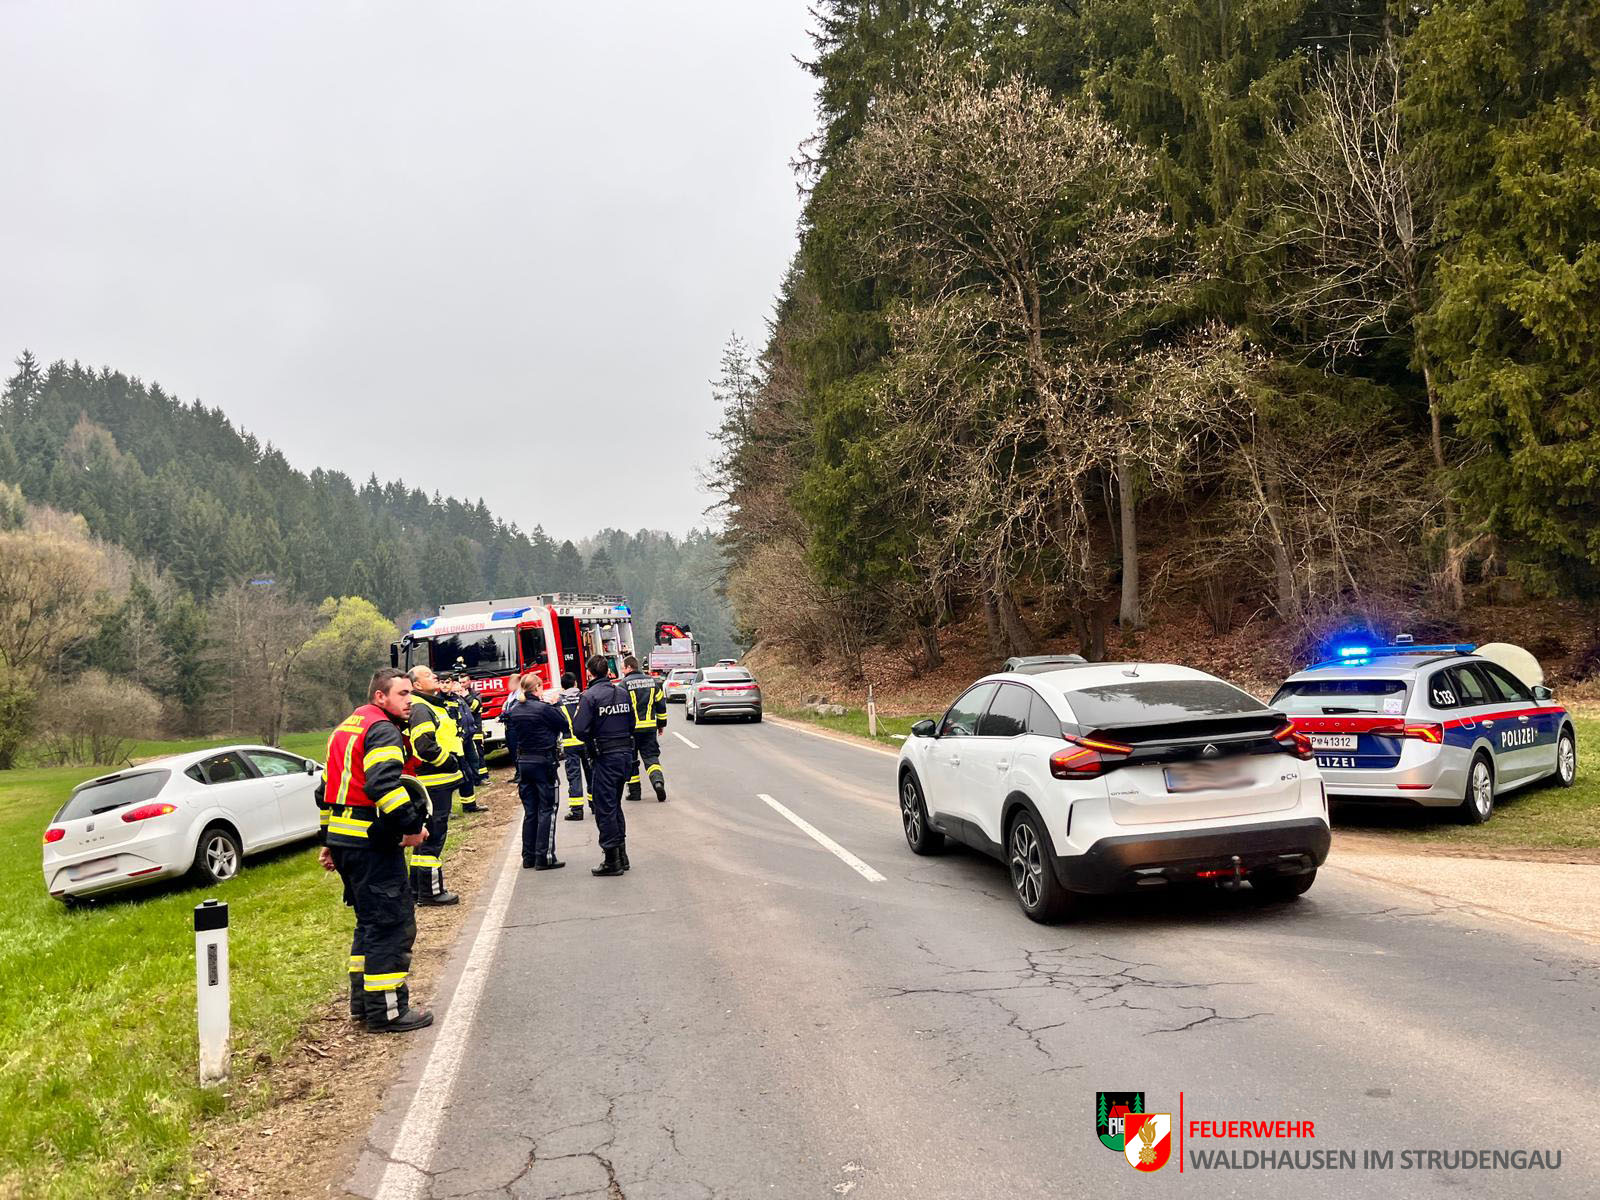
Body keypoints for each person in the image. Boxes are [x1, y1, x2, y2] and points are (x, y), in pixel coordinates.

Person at [316, 667, 433, 1033]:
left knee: (368, 925)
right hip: (371, 845)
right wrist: (411, 828)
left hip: (346, 844)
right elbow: (384, 785)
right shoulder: (382, 730)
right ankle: (388, 1011)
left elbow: (324, 791)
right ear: (380, 696)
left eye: (411, 694)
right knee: (391, 925)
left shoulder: (345, 728)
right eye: (402, 694)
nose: (410, 701)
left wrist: (329, 841)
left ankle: (364, 1006)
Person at [573, 653, 635, 876]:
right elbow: (632, 723)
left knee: (605, 808)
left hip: (605, 757)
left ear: (589, 673)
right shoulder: (622, 692)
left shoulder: (589, 697)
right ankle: (622, 855)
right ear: (608, 671)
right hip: (625, 755)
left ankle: (611, 860)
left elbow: (579, 729)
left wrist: (593, 740)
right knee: (615, 804)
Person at [405, 665, 463, 905]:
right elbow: (424, 746)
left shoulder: (428, 705)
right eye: (428, 675)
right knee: (433, 837)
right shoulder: (421, 708)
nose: (435, 676)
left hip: (435, 782)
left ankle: (417, 890)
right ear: (417, 685)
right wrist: (448, 762)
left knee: (425, 837)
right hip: (434, 782)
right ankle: (431, 892)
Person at [504, 673, 569, 869]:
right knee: (547, 809)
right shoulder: (543, 709)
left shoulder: (515, 709)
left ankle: (528, 856)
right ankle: (544, 856)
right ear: (538, 687)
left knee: (530, 811)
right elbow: (564, 724)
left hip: (524, 762)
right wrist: (556, 705)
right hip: (544, 761)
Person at [619, 655, 668, 802]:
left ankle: (635, 793)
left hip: (631, 731)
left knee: (631, 761)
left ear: (629, 667)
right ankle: (658, 782)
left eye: (623, 668)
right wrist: (661, 724)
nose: (622, 671)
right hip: (649, 729)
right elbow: (661, 705)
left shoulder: (623, 685)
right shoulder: (652, 682)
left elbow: (620, 708)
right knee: (651, 757)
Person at [557, 672, 590, 821]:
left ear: (562, 686)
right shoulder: (585, 697)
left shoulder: (559, 701)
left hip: (570, 744)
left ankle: (577, 811)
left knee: (574, 776)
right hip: (586, 741)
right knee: (591, 774)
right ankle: (595, 805)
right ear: (575, 683)